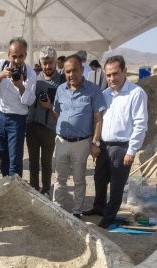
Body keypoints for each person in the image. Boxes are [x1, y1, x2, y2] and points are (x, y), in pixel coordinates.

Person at [83, 55, 148, 228]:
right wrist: (95, 143)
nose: (112, 78)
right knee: (99, 179)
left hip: (122, 147)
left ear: (124, 72)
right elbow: (98, 120)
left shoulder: (136, 93)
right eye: (108, 75)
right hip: (104, 145)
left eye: (115, 74)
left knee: (117, 185)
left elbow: (140, 124)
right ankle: (98, 208)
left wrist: (131, 150)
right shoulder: (104, 94)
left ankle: (109, 217)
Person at [49, 55, 105, 218]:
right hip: (61, 141)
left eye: (74, 70)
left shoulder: (93, 90)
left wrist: (95, 142)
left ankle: (77, 211)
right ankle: (57, 208)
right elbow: (57, 111)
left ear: (82, 70)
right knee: (60, 177)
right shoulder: (61, 89)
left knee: (79, 179)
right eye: (67, 71)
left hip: (82, 143)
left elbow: (98, 119)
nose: (71, 74)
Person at [0, 37, 37, 177]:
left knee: (15, 159)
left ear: (26, 55)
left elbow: (30, 101)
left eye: (21, 56)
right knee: (2, 156)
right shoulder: (1, 64)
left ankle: (15, 190)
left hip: (16, 119)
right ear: (8, 53)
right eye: (14, 56)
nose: (17, 60)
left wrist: (20, 85)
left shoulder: (30, 73)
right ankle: (6, 185)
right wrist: (0, 76)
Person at [26, 46, 64, 197]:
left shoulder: (62, 82)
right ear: (40, 63)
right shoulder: (33, 77)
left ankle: (46, 189)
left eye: (50, 62)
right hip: (31, 126)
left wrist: (50, 106)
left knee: (46, 162)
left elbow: (64, 109)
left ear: (55, 63)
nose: (47, 66)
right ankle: (34, 188)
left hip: (49, 127)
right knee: (33, 161)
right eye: (44, 62)